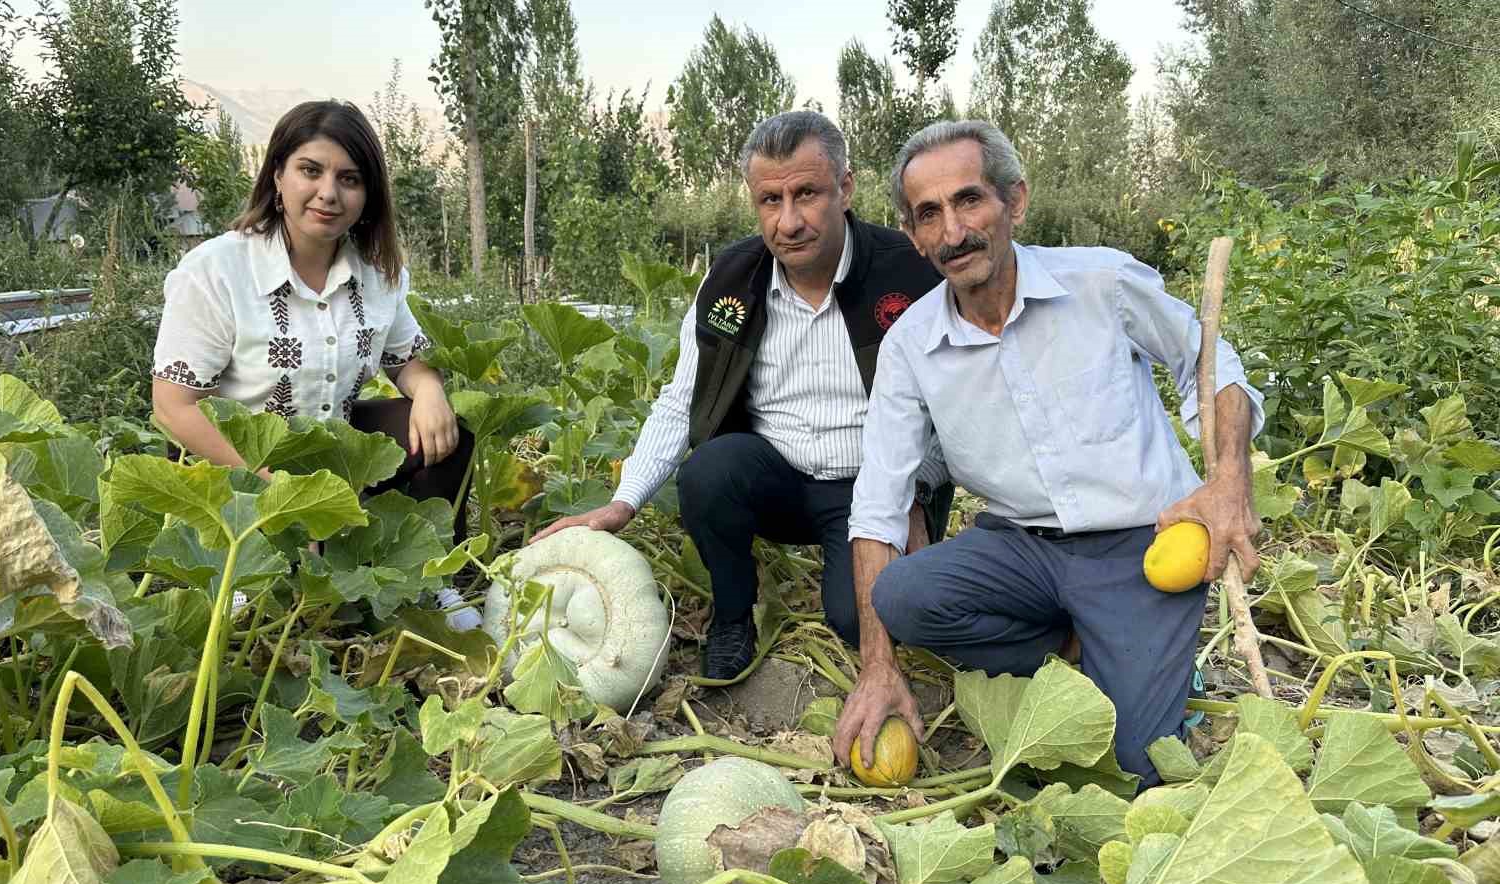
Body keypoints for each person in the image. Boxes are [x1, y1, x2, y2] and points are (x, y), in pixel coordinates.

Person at [832, 120, 1264, 788]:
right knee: (903, 594)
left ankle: (1123, 644)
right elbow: (877, 507)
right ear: (914, 235)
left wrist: (1228, 479)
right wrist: (877, 669)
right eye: (928, 214)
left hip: (1141, 548)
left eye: (969, 200)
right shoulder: (910, 346)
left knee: (1134, 764)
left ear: (1015, 202)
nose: (953, 232)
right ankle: (1073, 644)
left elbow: (1209, 363)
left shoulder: (1101, 284)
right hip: (1020, 549)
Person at [531, 111, 949, 680]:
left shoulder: (910, 273)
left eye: (807, 194)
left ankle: (859, 576)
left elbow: (957, 402)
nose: (789, 221)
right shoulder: (730, 279)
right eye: (770, 201)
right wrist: (623, 501)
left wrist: (916, 491)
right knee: (708, 472)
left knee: (861, 621)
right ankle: (732, 615)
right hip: (772, 476)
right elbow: (681, 400)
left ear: (846, 189)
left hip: (872, 486)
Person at [151, 101, 472, 531]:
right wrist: (279, 492)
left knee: (451, 436)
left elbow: (406, 360)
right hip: (227, 461)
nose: (328, 193)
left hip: (326, 446)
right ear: (277, 175)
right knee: (285, 584)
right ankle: (256, 577)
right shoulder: (216, 270)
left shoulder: (379, 274)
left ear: (368, 194)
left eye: (349, 179)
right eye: (310, 170)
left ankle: (428, 571)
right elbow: (175, 407)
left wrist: (430, 391)